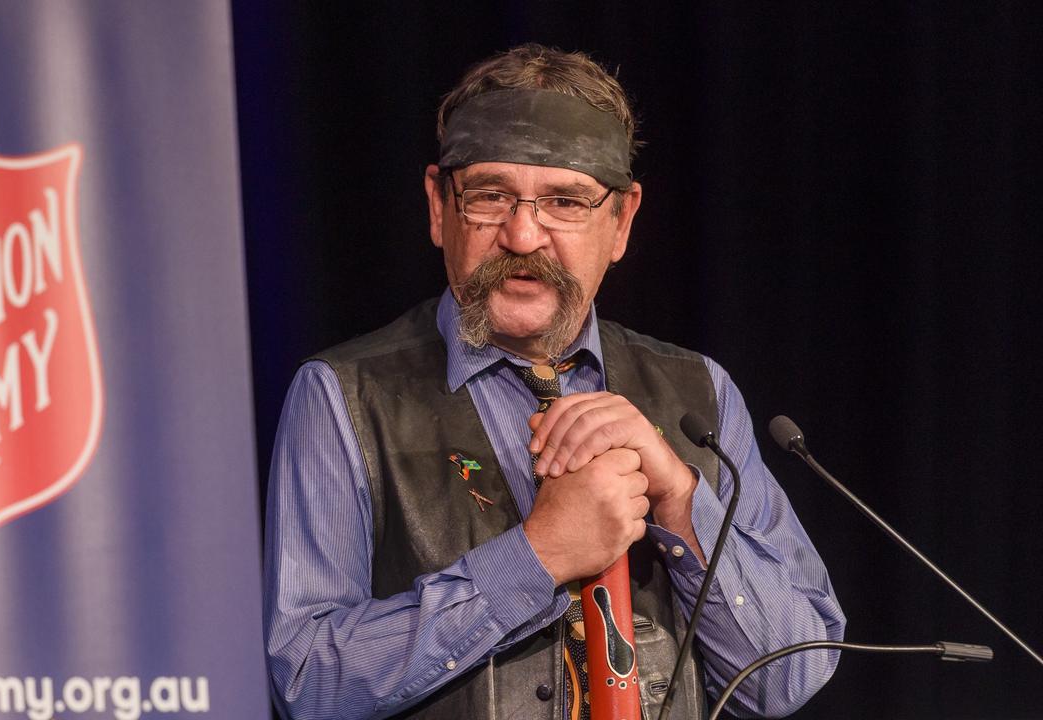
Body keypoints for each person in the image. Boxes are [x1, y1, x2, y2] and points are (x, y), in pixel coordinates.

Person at [264, 44, 845, 720]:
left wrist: (682, 502)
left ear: (621, 221)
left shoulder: (700, 395)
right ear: (437, 205)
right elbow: (305, 681)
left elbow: (788, 677)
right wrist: (535, 558)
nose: (521, 234)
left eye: (564, 201)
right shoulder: (345, 397)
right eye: (488, 196)